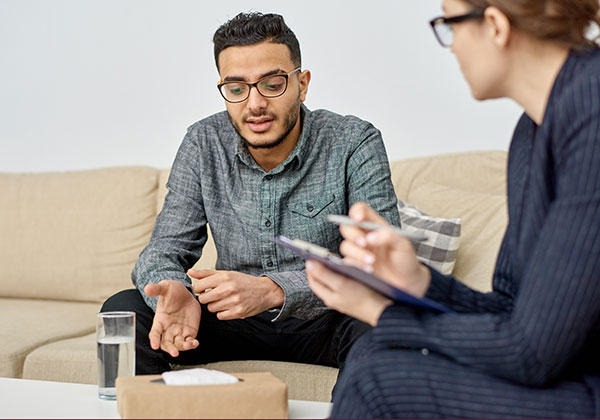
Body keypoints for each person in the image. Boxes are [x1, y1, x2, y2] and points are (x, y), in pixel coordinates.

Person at [306, 0, 600, 417]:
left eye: (450, 25)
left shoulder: (592, 114)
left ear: (495, 25)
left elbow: (532, 352)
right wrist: (420, 282)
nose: (451, 47)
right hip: (568, 373)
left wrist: (380, 310)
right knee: (373, 349)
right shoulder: (532, 134)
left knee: (381, 380)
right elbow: (511, 310)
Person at [101, 12, 400, 374]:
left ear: (301, 84)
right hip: (229, 320)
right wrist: (176, 289)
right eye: (237, 88)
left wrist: (274, 289)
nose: (254, 104)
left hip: (328, 318)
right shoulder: (203, 142)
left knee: (385, 323)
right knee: (124, 311)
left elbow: (381, 267)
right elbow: (163, 250)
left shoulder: (354, 141)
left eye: (272, 84)